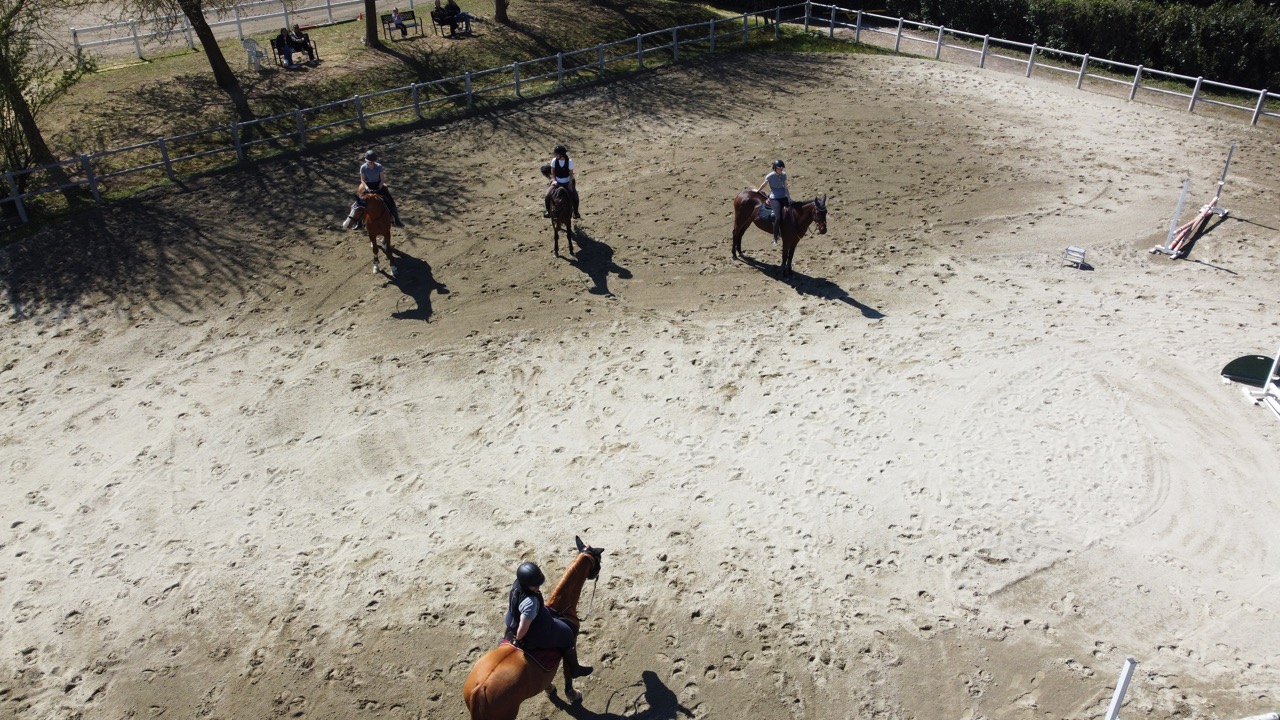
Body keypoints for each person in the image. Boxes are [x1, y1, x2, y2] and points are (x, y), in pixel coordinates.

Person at [505, 561, 593, 678]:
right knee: (567, 634)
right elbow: (523, 626)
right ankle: (575, 669)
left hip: (511, 620)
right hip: (528, 631)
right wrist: (519, 639)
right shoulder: (530, 602)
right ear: (527, 584)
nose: (538, 587)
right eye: (534, 585)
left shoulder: (517, 584)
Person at [359, 150, 403, 227]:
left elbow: (382, 179)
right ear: (367, 161)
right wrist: (367, 188)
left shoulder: (379, 166)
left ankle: (397, 220)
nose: (371, 163)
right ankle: (358, 223)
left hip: (378, 184)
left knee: (390, 201)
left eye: (373, 162)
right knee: (359, 203)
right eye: (370, 162)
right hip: (368, 185)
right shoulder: (363, 167)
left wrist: (379, 188)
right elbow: (362, 180)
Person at [756, 159, 790, 246]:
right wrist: (758, 190)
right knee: (777, 217)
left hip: (783, 196)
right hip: (775, 198)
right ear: (775, 168)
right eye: (779, 168)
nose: (781, 170)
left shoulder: (784, 175)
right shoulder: (770, 176)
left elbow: (785, 187)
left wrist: (789, 198)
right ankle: (775, 237)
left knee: (791, 212)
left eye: (782, 169)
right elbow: (764, 184)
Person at [544, 144, 580, 219]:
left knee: (575, 196)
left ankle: (576, 212)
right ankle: (548, 211)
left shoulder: (569, 161)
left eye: (556, 154)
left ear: (561, 154)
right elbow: (552, 171)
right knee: (547, 195)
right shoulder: (554, 160)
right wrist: (554, 180)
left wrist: (570, 184)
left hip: (567, 181)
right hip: (557, 181)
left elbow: (571, 174)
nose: (555, 155)